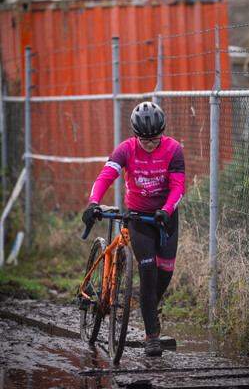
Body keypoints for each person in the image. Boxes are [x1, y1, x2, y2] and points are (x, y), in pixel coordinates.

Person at [82, 101, 185, 357]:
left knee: (165, 274)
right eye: (144, 140)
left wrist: (167, 210)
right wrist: (93, 202)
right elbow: (106, 176)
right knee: (148, 274)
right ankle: (152, 336)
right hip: (138, 218)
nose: (150, 144)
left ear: (162, 133)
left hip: (165, 216)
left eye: (155, 139)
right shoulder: (125, 150)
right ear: (135, 135)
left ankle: (148, 307)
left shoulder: (174, 150)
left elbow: (178, 187)